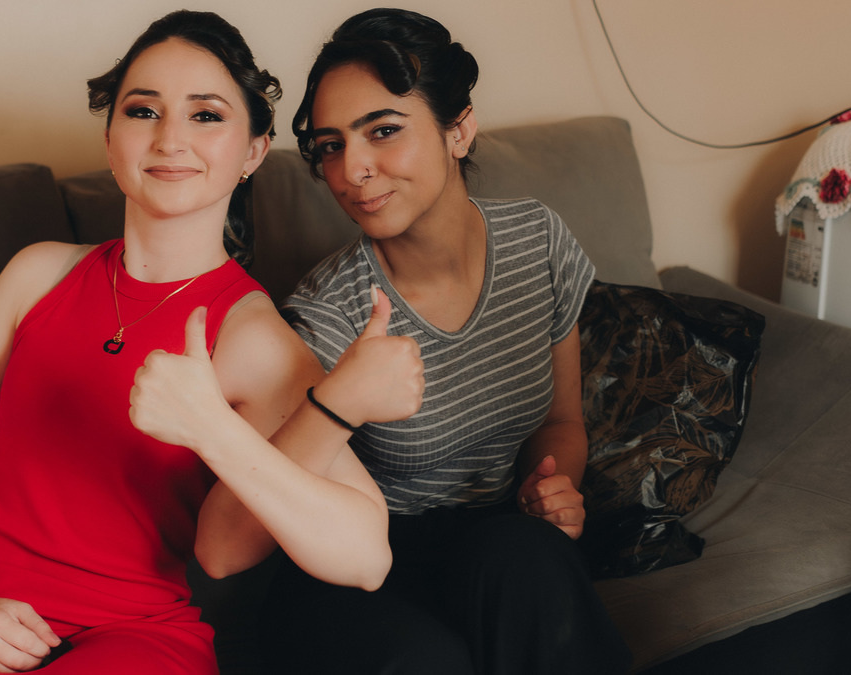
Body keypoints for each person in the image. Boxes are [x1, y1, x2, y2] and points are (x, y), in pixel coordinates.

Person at [0, 10, 420, 674]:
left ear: (253, 152)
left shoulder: (252, 337)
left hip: (129, 637)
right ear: (110, 138)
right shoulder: (37, 274)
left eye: (206, 115)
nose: (170, 138)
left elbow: (365, 558)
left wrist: (211, 427)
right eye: (144, 111)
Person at [256, 9, 633, 674]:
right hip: (363, 564)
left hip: (495, 543)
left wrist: (552, 489)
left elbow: (560, 421)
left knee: (527, 555)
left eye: (383, 130)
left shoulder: (538, 242)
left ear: (458, 130)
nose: (352, 169)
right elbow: (274, 495)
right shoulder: (328, 312)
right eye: (330, 145)